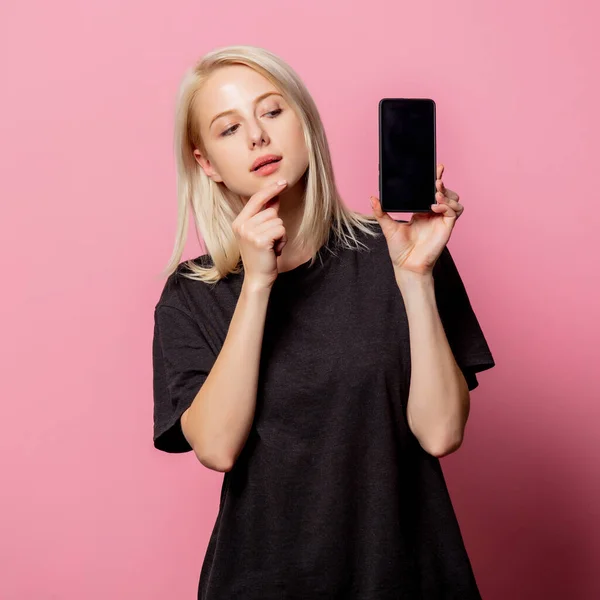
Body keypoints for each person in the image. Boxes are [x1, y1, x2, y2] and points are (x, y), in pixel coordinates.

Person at [152, 44, 496, 600]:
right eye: (229, 128)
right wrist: (258, 284)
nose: (258, 137)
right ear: (206, 163)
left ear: (305, 124)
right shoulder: (192, 297)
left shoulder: (399, 251)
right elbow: (216, 447)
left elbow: (441, 433)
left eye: (272, 111)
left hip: (410, 577)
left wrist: (415, 279)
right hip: (262, 583)